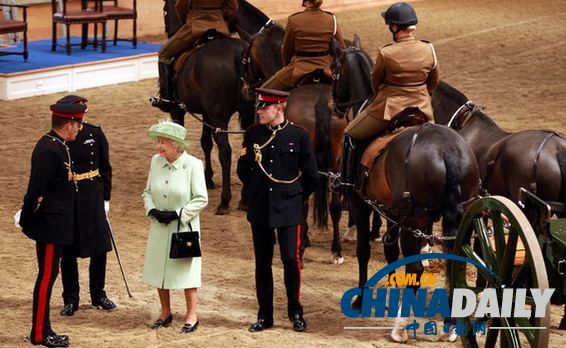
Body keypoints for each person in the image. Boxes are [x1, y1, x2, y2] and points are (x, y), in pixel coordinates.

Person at [236, 88, 319, 332]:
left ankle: (296, 312)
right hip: (261, 208)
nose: (259, 111)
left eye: (264, 108)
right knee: (262, 264)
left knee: (290, 260)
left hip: (289, 208)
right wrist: (255, 191)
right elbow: (243, 169)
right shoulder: (253, 134)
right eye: (259, 107)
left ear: (279, 109)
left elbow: (312, 175)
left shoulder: (299, 135)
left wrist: (296, 197)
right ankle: (265, 315)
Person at [340, 2, 440, 185]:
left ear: (394, 27)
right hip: (423, 109)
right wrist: (424, 96)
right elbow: (433, 81)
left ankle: (345, 184)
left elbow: (375, 83)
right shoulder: (429, 49)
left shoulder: (386, 53)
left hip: (390, 109)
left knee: (349, 133)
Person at [19, 100, 87, 347]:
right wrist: (27, 220)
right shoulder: (50, 150)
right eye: (78, 124)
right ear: (69, 124)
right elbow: (35, 191)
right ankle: (39, 333)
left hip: (57, 224)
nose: (80, 128)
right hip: (51, 226)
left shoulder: (58, 145)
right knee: (46, 278)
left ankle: (44, 328)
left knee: (49, 276)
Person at [142, 121, 208, 333]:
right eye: (157, 141)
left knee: (186, 273)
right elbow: (148, 192)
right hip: (160, 227)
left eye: (163, 142)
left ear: (177, 145)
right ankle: (165, 312)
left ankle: (191, 315)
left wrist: (179, 214)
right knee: (159, 269)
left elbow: (201, 198)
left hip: (183, 228)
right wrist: (152, 210)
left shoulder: (194, 165)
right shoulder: (156, 161)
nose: (158, 146)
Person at [55, 95, 116, 317]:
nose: (81, 121)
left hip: (92, 195)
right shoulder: (60, 137)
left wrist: (106, 199)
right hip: (69, 196)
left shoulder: (95, 133)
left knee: (99, 247)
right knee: (68, 249)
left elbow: (105, 167)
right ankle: (71, 298)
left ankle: (98, 294)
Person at [151, 0, 238, 112]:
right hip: (220, 27)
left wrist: (188, 20)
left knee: (164, 54)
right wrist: (220, 19)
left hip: (195, 26)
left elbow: (180, 7)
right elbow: (233, 8)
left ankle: (167, 97)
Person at [260, 0, 345, 91]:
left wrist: (287, 65)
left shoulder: (294, 20)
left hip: (299, 69)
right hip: (326, 69)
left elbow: (286, 49)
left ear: (305, 2)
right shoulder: (331, 19)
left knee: (263, 92)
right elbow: (342, 48)